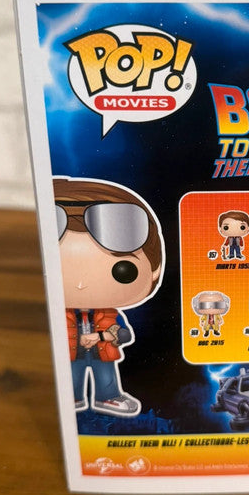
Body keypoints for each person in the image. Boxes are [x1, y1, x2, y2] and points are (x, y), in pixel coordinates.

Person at [54, 177, 164, 417]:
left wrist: (100, 336)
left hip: (103, 354)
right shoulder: (56, 314)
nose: (81, 285)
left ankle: (108, 397)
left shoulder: (110, 314)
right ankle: (70, 398)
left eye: (122, 270)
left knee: (106, 377)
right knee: (71, 377)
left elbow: (124, 335)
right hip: (70, 355)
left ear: (154, 269)